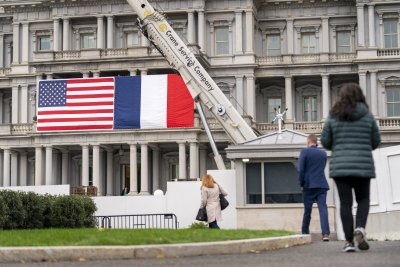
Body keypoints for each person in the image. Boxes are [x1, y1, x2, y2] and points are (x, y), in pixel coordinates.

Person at [320, 83, 381, 252]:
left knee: (345, 203)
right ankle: (360, 228)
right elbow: (376, 141)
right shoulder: (367, 115)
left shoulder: (333, 115)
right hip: (363, 166)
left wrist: (338, 145)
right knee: (363, 199)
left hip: (341, 166)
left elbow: (325, 141)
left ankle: (348, 242)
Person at [298, 134, 330, 241]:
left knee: (308, 211)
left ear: (308, 141)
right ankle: (325, 234)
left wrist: (301, 183)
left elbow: (301, 170)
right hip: (321, 184)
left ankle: (305, 232)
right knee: (323, 210)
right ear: (316, 142)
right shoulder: (323, 153)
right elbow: (322, 167)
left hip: (308, 185)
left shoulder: (304, 152)